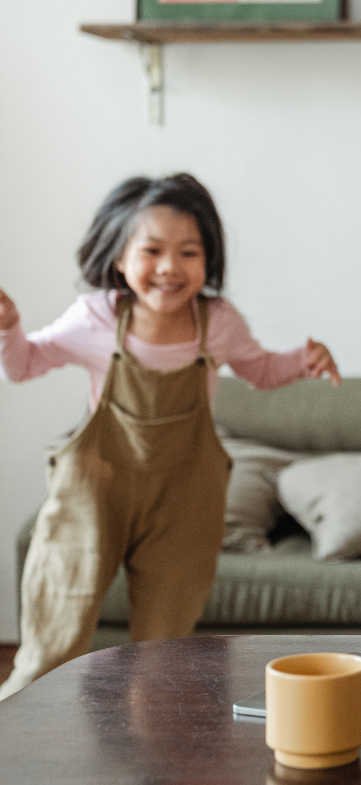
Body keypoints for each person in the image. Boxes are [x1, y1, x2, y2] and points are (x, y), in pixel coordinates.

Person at [0, 173, 341, 699]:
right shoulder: (95, 318)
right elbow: (23, 365)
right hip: (94, 494)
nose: (169, 268)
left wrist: (304, 360)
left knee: (161, 657)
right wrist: (8, 329)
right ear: (118, 258)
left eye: (189, 252)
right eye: (152, 250)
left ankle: (151, 767)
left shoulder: (217, 323)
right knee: (51, 645)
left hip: (183, 501)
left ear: (208, 261)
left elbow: (261, 370)